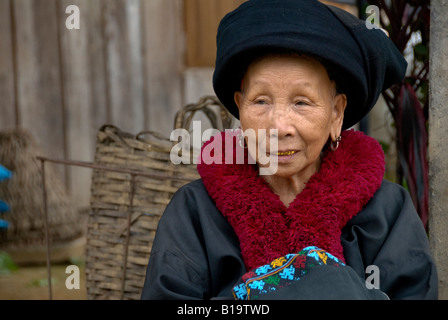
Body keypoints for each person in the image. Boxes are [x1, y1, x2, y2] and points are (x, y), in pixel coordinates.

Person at [141, 0, 438, 300]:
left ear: (337, 114)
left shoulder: (388, 213)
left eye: (301, 102)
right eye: (260, 101)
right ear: (240, 107)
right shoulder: (194, 213)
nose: (278, 126)